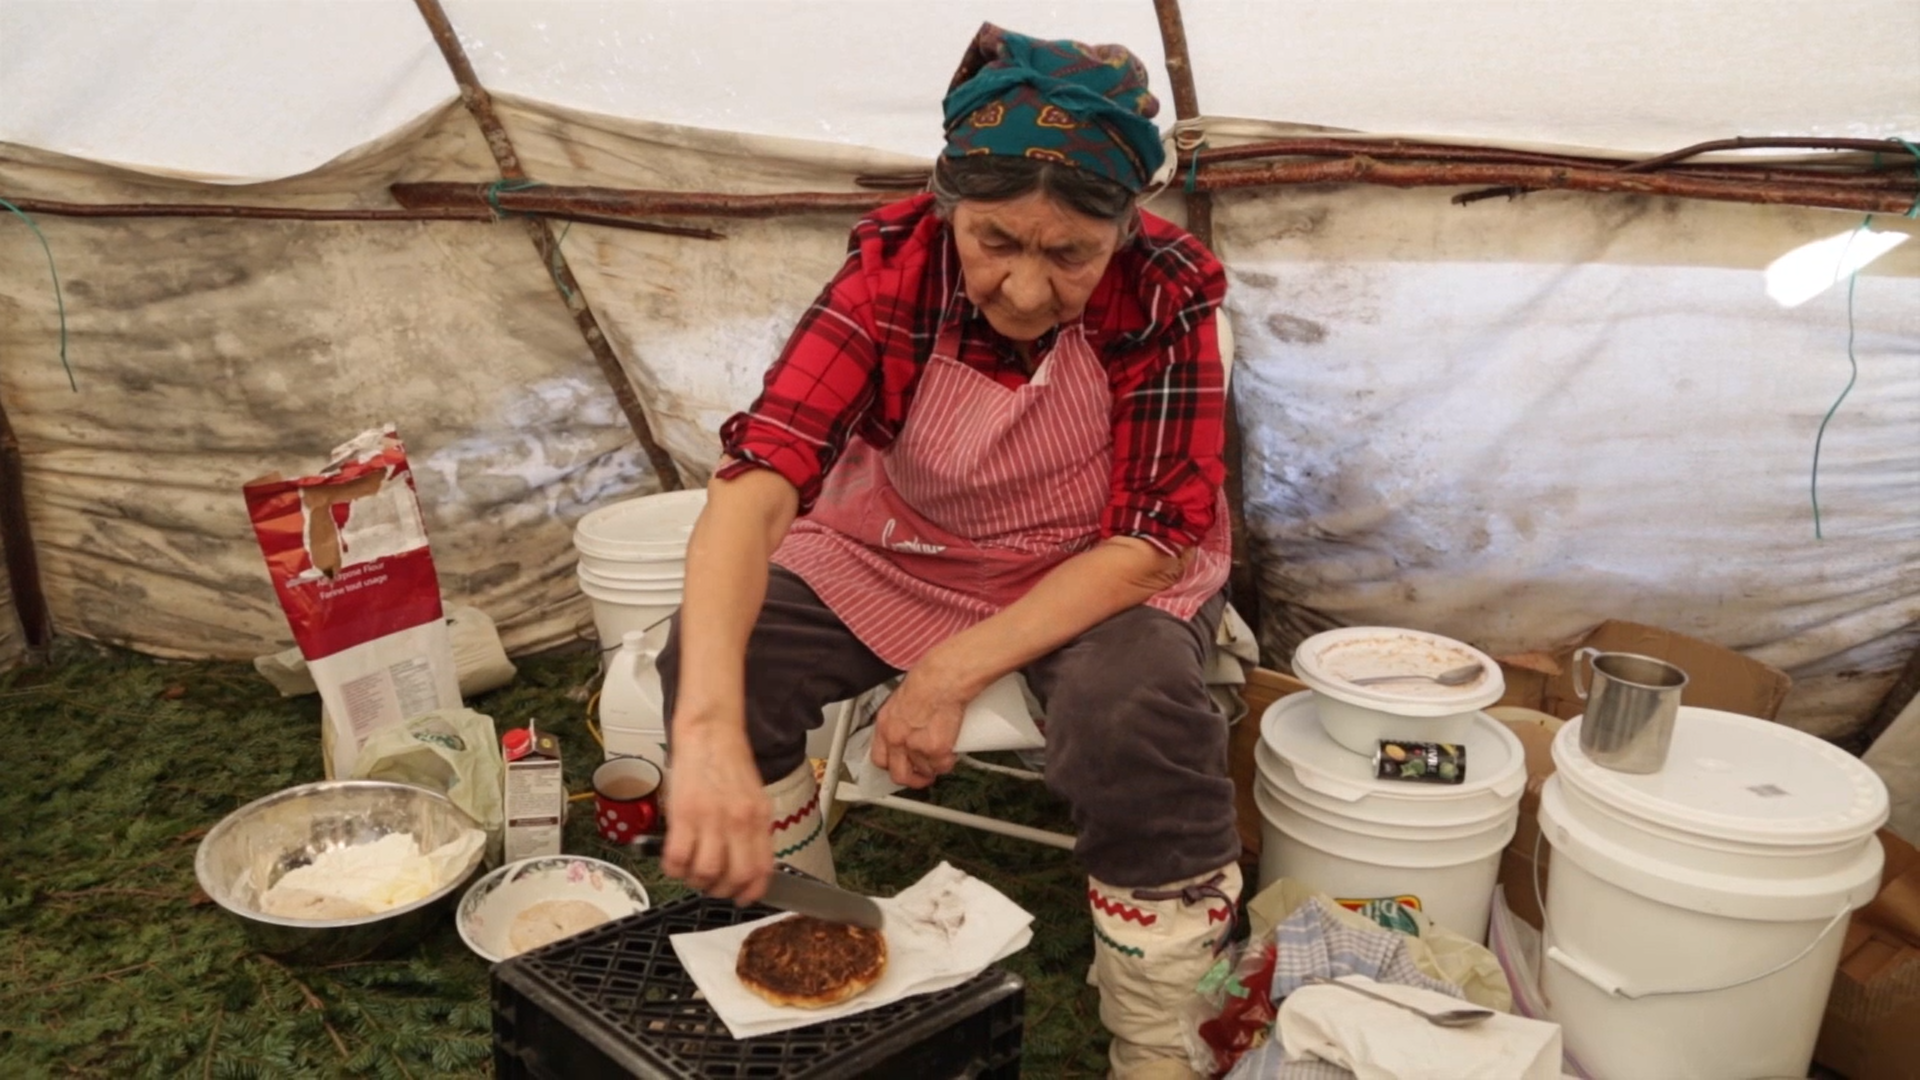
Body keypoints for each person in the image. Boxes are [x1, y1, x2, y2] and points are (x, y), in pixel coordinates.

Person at [658, 23, 1238, 1079]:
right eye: (996, 243)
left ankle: (1160, 1038)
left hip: (1096, 564)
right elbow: (761, 481)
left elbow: (1154, 540)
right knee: (725, 664)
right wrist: (702, 730)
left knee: (1132, 715)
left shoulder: (1164, 294)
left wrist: (950, 670)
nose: (1024, 290)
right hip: (907, 546)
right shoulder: (893, 273)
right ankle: (810, 937)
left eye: (1069, 255)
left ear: (1124, 227)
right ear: (948, 208)